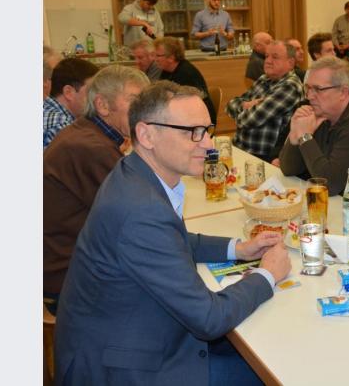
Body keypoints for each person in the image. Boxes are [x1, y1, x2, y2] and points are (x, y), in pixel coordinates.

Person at [55, 81, 292, 384]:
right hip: (124, 368)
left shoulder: (135, 174)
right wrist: (268, 275)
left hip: (129, 336)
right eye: (192, 132)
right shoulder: (141, 210)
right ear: (146, 135)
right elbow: (209, 319)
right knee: (276, 369)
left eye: (207, 130)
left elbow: (171, 241)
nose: (208, 144)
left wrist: (239, 248)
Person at [43, 66, 149, 313]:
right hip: (69, 277)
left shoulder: (86, 133)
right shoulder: (91, 148)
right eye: (135, 101)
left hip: (65, 262)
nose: (144, 110)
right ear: (102, 105)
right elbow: (140, 217)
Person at [278, 57, 349, 195]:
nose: (309, 96)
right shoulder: (321, 112)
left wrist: (305, 137)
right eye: (308, 88)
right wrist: (295, 135)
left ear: (343, 92)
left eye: (318, 89)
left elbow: (331, 185)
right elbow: (288, 169)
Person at [227, 41, 304, 161]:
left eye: (275, 57)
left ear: (290, 63)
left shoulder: (290, 86)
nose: (268, 61)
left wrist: (241, 109)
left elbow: (250, 120)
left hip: (263, 157)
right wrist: (245, 105)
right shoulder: (264, 79)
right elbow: (230, 104)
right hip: (240, 148)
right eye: (267, 56)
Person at [155, 37, 217, 125]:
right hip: (186, 116)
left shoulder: (185, 73)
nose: (155, 59)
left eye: (158, 56)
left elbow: (188, 106)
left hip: (201, 121)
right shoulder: (166, 70)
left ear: (171, 58)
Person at [43, 58, 99, 149]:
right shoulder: (61, 124)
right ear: (68, 92)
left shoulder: (47, 110)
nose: (97, 98)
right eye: (91, 91)